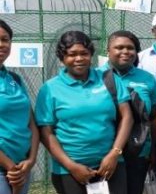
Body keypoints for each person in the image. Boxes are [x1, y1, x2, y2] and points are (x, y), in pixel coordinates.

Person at [35, 31, 133, 194]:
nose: (79, 59)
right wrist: (71, 166)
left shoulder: (108, 79)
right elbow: (46, 132)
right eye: (72, 54)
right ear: (62, 58)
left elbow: (127, 117)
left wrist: (114, 153)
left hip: (110, 166)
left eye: (84, 53)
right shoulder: (50, 89)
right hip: (70, 171)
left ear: (91, 55)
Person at [99, 31, 156, 194]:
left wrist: (153, 149)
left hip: (138, 151)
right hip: (105, 152)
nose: (125, 52)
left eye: (130, 48)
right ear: (108, 51)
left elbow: (154, 117)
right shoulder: (97, 77)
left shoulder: (146, 78)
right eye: (119, 47)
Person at [0, 20, 39, 194]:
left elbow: (31, 122)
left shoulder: (14, 79)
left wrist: (31, 160)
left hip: (21, 167)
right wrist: (10, 167)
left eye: (5, 39)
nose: (1, 45)